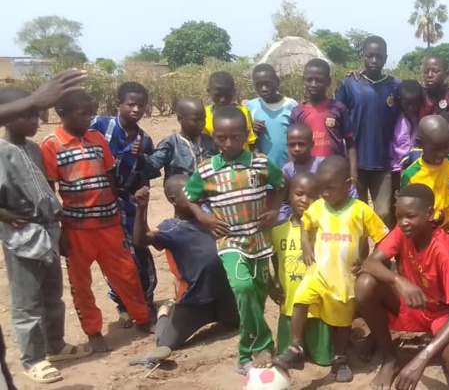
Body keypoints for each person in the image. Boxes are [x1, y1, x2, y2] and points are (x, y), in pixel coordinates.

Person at [41, 90, 151, 352]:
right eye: (83, 114)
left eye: (91, 112)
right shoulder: (52, 144)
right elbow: (49, 191)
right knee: (81, 285)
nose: (89, 118)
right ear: (62, 114)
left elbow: (110, 173)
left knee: (127, 273)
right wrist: (60, 231)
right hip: (77, 230)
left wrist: (113, 204)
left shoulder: (97, 138)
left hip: (109, 223)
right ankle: (93, 332)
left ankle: (143, 318)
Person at [183, 105, 286, 374]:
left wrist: (274, 210)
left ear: (247, 135)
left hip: (260, 241)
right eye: (221, 137)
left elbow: (280, 185)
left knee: (256, 298)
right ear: (213, 136)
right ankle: (260, 345)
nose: (228, 143)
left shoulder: (261, 163)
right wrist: (203, 218)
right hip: (230, 242)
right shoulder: (206, 170)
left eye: (235, 137)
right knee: (242, 288)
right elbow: (189, 196)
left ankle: (246, 352)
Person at [0, 88, 92, 384]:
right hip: (21, 235)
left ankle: (55, 345)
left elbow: (46, 191)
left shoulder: (34, 149)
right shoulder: (1, 152)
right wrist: (5, 215)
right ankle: (33, 359)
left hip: (47, 232)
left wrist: (60, 227)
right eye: (26, 115)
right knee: (27, 301)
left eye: (36, 114)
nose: (34, 121)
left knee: (53, 293)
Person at [276, 156, 388, 382]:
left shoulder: (361, 210)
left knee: (342, 324)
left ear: (349, 184)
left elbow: (384, 237)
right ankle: (295, 349)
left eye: (330, 188)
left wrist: (369, 262)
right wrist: (307, 247)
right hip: (318, 273)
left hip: (344, 280)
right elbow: (305, 225)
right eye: (321, 188)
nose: (324, 193)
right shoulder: (317, 207)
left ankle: (340, 359)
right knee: (300, 299)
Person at [355, 184, 449, 390]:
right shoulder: (403, 232)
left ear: (429, 214)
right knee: (365, 283)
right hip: (412, 305)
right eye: (399, 216)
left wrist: (421, 358)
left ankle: (437, 349)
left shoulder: (444, 251)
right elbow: (370, 263)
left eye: (409, 216)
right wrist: (399, 281)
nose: (403, 223)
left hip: (441, 315)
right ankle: (390, 358)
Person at [128, 175, 239, 368]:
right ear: (173, 200)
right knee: (165, 344)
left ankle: (220, 313)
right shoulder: (170, 228)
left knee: (242, 324)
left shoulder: (208, 220)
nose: (196, 196)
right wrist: (142, 208)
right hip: (193, 302)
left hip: (223, 295)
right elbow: (140, 240)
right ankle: (165, 311)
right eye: (189, 193)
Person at [90, 81, 159, 325]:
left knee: (139, 251)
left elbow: (146, 179)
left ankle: (146, 301)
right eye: (131, 104)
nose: (136, 109)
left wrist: (143, 212)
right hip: (99, 202)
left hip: (128, 201)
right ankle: (123, 303)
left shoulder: (144, 139)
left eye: (141, 105)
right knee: (114, 255)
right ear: (119, 104)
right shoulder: (99, 126)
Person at [401, 116, 449, 290]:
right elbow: (406, 212)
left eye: (445, 147)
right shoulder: (411, 174)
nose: (442, 154)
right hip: (426, 241)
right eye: (435, 149)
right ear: (420, 143)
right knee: (434, 285)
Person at [269, 172, 333, 367]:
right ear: (289, 195)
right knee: (286, 358)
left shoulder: (325, 231)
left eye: (311, 195)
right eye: (299, 194)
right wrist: (274, 285)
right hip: (289, 306)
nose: (305, 200)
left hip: (319, 309)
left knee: (324, 360)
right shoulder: (277, 231)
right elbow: (274, 260)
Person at [337, 35, 401, 226]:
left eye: (379, 57)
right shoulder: (350, 83)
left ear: (386, 58)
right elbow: (336, 115)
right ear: (362, 56)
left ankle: (381, 255)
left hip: (384, 162)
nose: (374, 61)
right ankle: (361, 255)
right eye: (370, 56)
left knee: (384, 213)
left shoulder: (395, 85)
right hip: (356, 163)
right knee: (358, 216)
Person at [288, 59, 355, 168]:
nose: (313, 84)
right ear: (303, 80)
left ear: (328, 81)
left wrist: (353, 174)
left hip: (335, 171)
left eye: (319, 80)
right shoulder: (297, 112)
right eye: (309, 80)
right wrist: (291, 171)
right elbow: (291, 147)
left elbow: (350, 143)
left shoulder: (338, 108)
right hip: (307, 173)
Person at [282, 124, 357, 204]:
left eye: (301, 144)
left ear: (312, 144)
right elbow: (284, 200)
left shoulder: (324, 165)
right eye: (292, 145)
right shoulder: (287, 170)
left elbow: (349, 190)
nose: (297, 149)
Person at [147, 98, 219, 179]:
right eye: (196, 120)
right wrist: (140, 157)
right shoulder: (170, 144)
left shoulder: (210, 141)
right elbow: (152, 167)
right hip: (180, 190)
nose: (202, 123)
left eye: (203, 119)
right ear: (180, 119)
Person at [247, 63, 298, 168]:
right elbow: (243, 135)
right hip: (261, 171)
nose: (264, 88)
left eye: (268, 84)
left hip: (287, 168)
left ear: (277, 82)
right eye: (259, 85)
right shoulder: (251, 107)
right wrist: (252, 129)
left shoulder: (291, 106)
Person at [204, 71, 257, 151]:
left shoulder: (243, 112)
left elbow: (251, 142)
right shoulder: (204, 115)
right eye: (218, 95)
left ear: (233, 92)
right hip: (217, 162)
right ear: (209, 92)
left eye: (227, 94)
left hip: (243, 161)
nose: (222, 99)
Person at [391, 80, 423, 180]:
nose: (411, 108)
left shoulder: (419, 118)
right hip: (394, 168)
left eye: (415, 104)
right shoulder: (393, 118)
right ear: (399, 101)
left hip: (415, 167)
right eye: (406, 104)